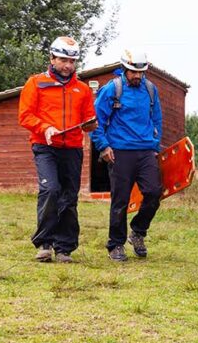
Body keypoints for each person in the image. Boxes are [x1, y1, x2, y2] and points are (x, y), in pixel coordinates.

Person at [17, 36, 98, 263]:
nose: (68, 66)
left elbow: (89, 119)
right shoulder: (36, 83)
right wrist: (45, 127)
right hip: (45, 146)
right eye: (63, 60)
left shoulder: (82, 89)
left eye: (72, 61)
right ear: (52, 58)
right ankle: (44, 243)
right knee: (51, 190)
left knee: (69, 197)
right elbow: (25, 115)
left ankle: (64, 249)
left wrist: (91, 124)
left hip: (72, 148)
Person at [91, 49, 164, 262]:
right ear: (125, 69)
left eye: (141, 72)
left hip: (146, 151)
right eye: (133, 72)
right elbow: (96, 120)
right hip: (120, 151)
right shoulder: (112, 89)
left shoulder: (151, 90)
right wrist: (103, 146)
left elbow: (157, 119)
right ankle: (115, 244)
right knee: (120, 200)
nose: (137, 76)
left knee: (154, 192)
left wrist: (155, 145)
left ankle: (138, 232)